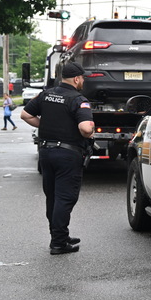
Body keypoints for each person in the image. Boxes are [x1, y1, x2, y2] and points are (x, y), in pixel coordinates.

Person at [21, 62, 95, 255]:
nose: (83, 81)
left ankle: (59, 235)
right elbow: (86, 128)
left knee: (53, 197)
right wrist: (90, 133)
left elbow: (25, 114)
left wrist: (45, 125)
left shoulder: (46, 95)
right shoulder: (79, 100)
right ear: (77, 79)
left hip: (46, 153)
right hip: (68, 155)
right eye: (82, 78)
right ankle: (58, 244)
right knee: (65, 198)